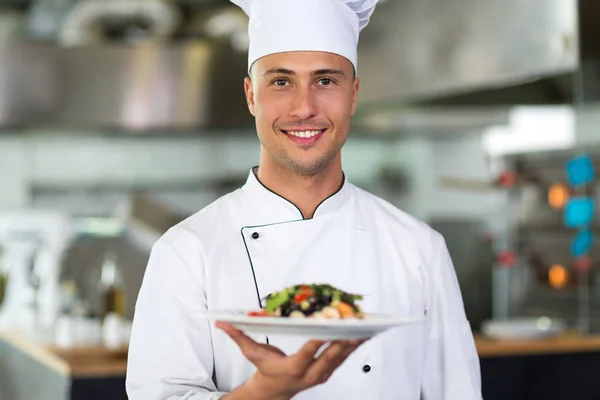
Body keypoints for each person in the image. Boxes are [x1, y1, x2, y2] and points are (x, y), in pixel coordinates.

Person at [125, 0, 483, 398]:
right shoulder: (186, 251)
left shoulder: (419, 249)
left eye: (326, 81)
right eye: (281, 81)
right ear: (251, 95)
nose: (304, 108)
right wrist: (261, 393)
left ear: (353, 94)